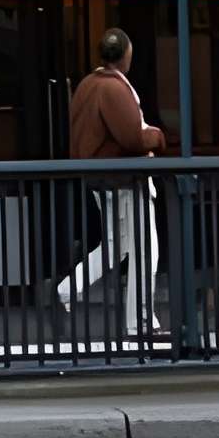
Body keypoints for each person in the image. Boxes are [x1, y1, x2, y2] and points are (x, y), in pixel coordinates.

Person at [58, 28, 166, 337]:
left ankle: (66, 291)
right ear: (127, 55)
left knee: (116, 246)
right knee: (146, 250)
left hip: (102, 181)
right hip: (126, 181)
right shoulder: (114, 89)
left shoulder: (87, 85)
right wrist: (157, 136)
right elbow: (132, 137)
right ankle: (140, 322)